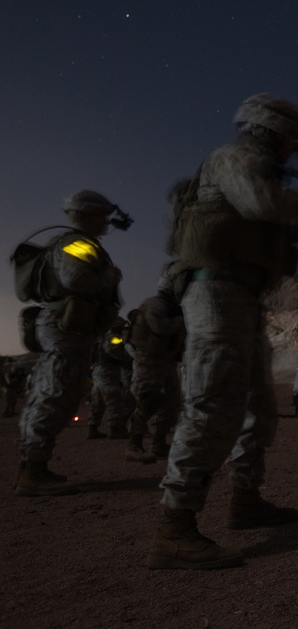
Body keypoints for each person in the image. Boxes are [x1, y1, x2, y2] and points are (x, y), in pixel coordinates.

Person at [149, 93, 298, 569]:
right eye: (292, 137)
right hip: (214, 292)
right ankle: (175, 527)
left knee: (257, 407)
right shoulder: (233, 161)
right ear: (273, 131)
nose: (296, 147)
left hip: (243, 300)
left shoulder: (266, 180)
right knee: (214, 403)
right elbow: (263, 204)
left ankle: (245, 499)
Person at [14, 190, 127, 497]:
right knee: (55, 394)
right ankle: (32, 471)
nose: (106, 223)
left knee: (56, 393)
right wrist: (109, 278)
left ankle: (34, 466)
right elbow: (76, 280)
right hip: (65, 328)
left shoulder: (78, 243)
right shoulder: (77, 243)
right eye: (103, 216)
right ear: (90, 215)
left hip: (68, 328)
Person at [123, 274, 185, 464]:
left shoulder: (172, 308)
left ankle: (158, 443)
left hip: (166, 361)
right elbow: (160, 327)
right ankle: (134, 446)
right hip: (149, 361)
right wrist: (186, 321)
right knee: (148, 401)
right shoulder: (154, 304)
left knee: (171, 404)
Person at [86, 317, 132, 440]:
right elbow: (118, 353)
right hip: (108, 372)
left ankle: (92, 428)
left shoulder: (101, 338)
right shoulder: (114, 338)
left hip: (98, 372)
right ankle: (115, 430)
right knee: (114, 400)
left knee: (98, 401)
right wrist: (129, 356)